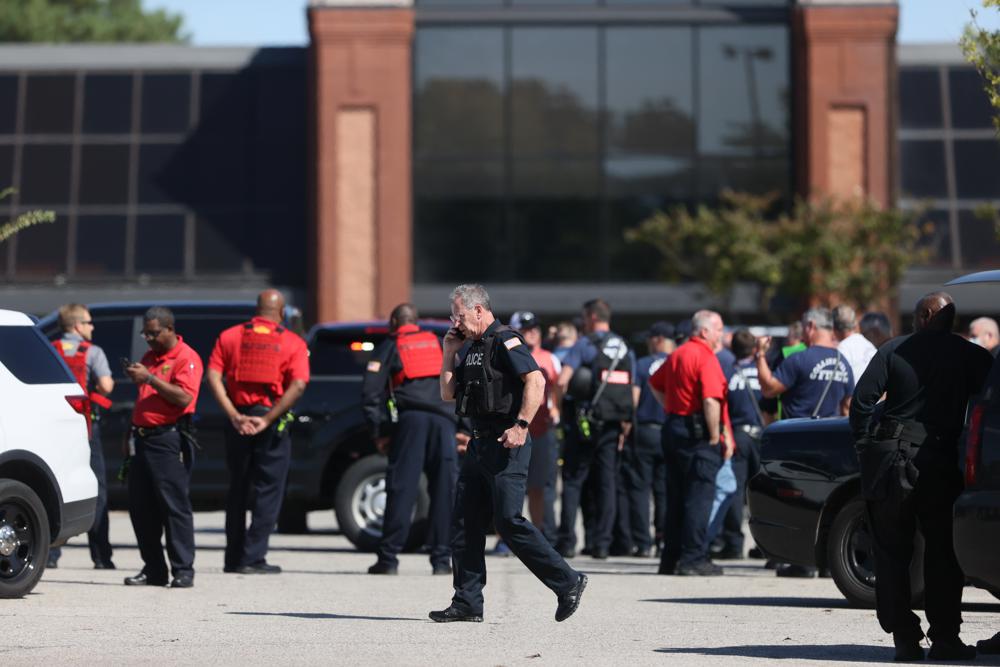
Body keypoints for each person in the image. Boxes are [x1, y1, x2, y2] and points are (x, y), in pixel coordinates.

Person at [850, 292, 993, 662]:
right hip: (940, 460)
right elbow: (989, 402)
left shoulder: (894, 350)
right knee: (943, 553)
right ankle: (945, 639)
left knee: (891, 551)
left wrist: (867, 446)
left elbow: (863, 401)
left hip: (892, 458)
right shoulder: (971, 356)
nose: (914, 321)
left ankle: (905, 639)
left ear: (928, 315)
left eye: (916, 315)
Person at [430, 284, 585, 624]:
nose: (454, 321)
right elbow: (446, 393)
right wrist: (448, 352)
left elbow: (536, 381)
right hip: (478, 444)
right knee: (465, 522)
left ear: (479, 311)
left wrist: (521, 425)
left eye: (459, 314)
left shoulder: (505, 340)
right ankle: (467, 601)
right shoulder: (470, 347)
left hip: (506, 442)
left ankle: (568, 581)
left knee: (509, 521)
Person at [207, 289, 310, 575]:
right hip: (270, 422)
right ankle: (252, 558)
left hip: (237, 420)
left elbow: (213, 376)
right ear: (281, 312)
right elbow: (299, 385)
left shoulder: (230, 336)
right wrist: (267, 420)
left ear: (257, 309)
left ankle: (233, 557)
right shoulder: (292, 342)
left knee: (237, 488)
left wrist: (233, 415)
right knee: (269, 490)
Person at [360, 303, 458, 575]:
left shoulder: (391, 346)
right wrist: (463, 427)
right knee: (443, 491)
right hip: (444, 423)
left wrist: (380, 432)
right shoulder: (439, 344)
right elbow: (460, 383)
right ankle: (441, 560)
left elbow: (370, 394)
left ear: (394, 322)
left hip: (411, 422)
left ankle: (388, 559)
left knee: (401, 488)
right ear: (417, 321)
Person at [122, 307, 203, 588]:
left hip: (167, 440)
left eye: (154, 333)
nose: (148, 338)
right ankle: (154, 568)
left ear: (170, 329)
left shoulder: (186, 357)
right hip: (141, 439)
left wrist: (150, 379)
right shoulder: (150, 357)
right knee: (141, 508)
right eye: (145, 333)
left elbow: (184, 398)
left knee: (174, 507)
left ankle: (183, 569)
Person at [649, 310, 733, 576]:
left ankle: (670, 559)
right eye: (718, 329)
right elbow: (710, 400)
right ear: (705, 331)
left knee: (676, 497)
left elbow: (654, 384)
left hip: (674, 428)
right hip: (696, 433)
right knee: (699, 497)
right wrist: (713, 435)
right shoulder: (705, 357)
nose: (721, 334)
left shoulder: (678, 353)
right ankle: (694, 558)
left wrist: (672, 410)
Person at [555, 299, 635, 560]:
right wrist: (626, 423)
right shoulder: (624, 347)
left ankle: (567, 541)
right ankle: (602, 543)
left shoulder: (585, 344)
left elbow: (563, 380)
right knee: (606, 483)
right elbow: (632, 390)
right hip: (613, 423)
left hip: (584, 422)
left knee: (573, 480)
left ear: (591, 317)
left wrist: (560, 407)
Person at [48, 303, 115, 570]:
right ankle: (101, 557)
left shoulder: (49, 349)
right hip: (85, 427)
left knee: (54, 487)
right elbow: (107, 386)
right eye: (88, 322)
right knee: (97, 489)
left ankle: (51, 555)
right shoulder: (93, 352)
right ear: (77, 326)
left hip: (53, 429)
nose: (92, 327)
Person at [711, 329, 768, 559]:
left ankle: (734, 544)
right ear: (754, 349)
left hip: (738, 437)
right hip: (763, 437)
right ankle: (766, 546)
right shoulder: (764, 372)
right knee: (763, 493)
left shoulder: (727, 371)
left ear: (731, 349)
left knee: (735, 492)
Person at [510, 311, 561, 544]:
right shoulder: (507, 355)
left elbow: (559, 388)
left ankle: (539, 535)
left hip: (541, 431)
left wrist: (555, 409)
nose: (532, 332)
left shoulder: (550, 358)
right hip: (512, 429)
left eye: (535, 328)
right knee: (510, 486)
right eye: (526, 328)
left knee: (538, 487)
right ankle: (506, 538)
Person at [623, 322, 672, 558]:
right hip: (668, 430)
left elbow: (634, 399)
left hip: (645, 431)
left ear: (659, 339)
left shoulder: (642, 364)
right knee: (663, 489)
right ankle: (664, 538)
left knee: (640, 489)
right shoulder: (676, 362)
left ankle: (643, 543)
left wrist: (626, 429)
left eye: (651, 338)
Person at [756, 307, 854, 421]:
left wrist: (760, 353)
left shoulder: (799, 359)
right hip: (830, 434)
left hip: (798, 433)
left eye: (803, 328)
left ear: (810, 326)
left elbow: (769, 389)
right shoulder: (843, 363)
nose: (802, 335)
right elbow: (847, 409)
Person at [834, 305, 877, 382]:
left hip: (854, 393)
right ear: (855, 324)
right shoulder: (870, 346)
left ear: (835, 329)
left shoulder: (842, 349)